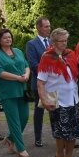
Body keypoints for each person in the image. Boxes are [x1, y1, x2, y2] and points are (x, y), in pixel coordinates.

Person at [39, 28, 79, 157]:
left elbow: (75, 74)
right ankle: (59, 156)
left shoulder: (70, 54)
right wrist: (44, 100)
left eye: (66, 40)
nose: (64, 43)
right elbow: (40, 82)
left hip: (73, 98)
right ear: (54, 42)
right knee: (60, 131)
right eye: (61, 41)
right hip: (58, 100)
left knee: (73, 129)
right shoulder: (47, 57)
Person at [0, 28, 31, 157]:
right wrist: (17, 78)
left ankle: (10, 137)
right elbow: (0, 73)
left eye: (9, 37)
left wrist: (26, 74)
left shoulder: (18, 51)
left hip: (22, 89)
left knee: (24, 117)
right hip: (7, 92)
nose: (8, 39)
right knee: (14, 120)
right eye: (5, 38)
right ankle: (20, 148)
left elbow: (26, 65)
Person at [26, 17, 52, 147]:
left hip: (53, 83)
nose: (49, 28)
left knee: (55, 110)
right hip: (40, 84)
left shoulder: (53, 42)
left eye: (49, 26)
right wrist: (48, 72)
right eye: (46, 26)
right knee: (39, 111)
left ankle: (59, 136)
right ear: (39, 28)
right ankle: (38, 138)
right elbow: (33, 64)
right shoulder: (32, 44)